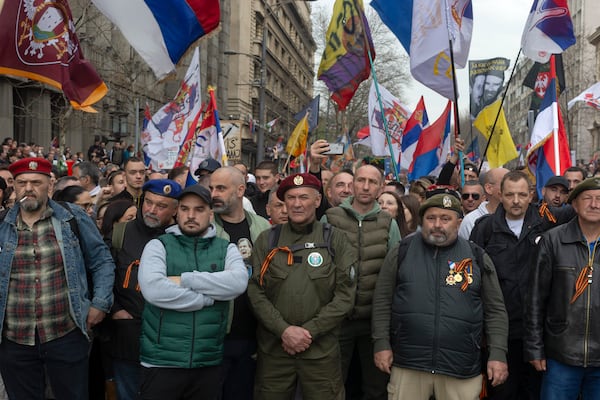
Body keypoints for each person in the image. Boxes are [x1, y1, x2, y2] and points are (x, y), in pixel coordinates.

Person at [372, 193, 509, 400]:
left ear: (458, 222)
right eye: (431, 218)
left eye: (445, 219)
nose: (437, 224)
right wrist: (381, 344)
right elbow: (382, 302)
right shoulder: (402, 252)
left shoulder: (477, 257)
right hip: (409, 364)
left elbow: (495, 310)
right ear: (421, 221)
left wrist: (498, 354)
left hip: (460, 366)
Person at [0, 157, 115, 399]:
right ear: (15, 187)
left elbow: (101, 259)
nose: (28, 188)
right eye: (22, 183)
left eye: (36, 182)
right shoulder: (2, 225)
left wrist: (99, 303)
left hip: (65, 333)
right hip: (15, 339)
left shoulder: (72, 218)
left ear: (49, 186)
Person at [248, 173, 357, 399]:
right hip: (275, 352)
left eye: (304, 197)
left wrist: (309, 332)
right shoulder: (267, 241)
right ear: (284, 203)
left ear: (317, 201)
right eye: (291, 198)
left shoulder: (335, 240)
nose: (297, 204)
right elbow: (255, 292)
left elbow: (345, 296)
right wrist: (284, 331)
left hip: (321, 353)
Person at [470, 171, 574, 399]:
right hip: (501, 333)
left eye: (521, 194)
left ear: (531, 195)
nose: (516, 201)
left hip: (540, 333)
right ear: (500, 195)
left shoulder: (549, 223)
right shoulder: (484, 229)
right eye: (509, 195)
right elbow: (473, 279)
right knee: (503, 392)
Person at [137, 184, 247, 400]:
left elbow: (237, 283)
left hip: (208, 361)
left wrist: (186, 278)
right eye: (185, 209)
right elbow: (154, 290)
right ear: (177, 212)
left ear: (211, 214)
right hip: (161, 361)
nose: (191, 215)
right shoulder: (158, 246)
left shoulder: (227, 248)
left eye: (199, 209)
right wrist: (208, 298)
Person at [323, 164, 401, 399]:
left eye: (372, 182)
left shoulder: (389, 223)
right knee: (331, 385)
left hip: (374, 322)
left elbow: (395, 272)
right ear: (353, 184)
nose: (365, 186)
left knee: (376, 387)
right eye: (361, 180)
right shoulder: (331, 218)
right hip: (337, 319)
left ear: (380, 188)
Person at [525, 177, 600, 399]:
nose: (594, 204)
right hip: (561, 353)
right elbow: (536, 298)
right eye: (587, 199)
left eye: (599, 199)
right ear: (574, 204)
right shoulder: (553, 241)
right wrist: (534, 347)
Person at [109, 179, 181, 400]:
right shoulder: (120, 234)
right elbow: (102, 275)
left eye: (161, 206)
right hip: (128, 336)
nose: (152, 210)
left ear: (175, 210)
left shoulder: (182, 239)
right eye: (148, 202)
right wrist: (116, 309)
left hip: (168, 339)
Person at [209, 166, 270, 400]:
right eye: (212, 188)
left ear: (240, 190)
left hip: (252, 336)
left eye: (221, 188)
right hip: (216, 335)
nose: (214, 193)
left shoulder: (263, 227)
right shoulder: (206, 227)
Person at [459, 168, 509, 239]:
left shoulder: (517, 216)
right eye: (506, 183)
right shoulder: (470, 221)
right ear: (489, 188)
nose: (512, 187)